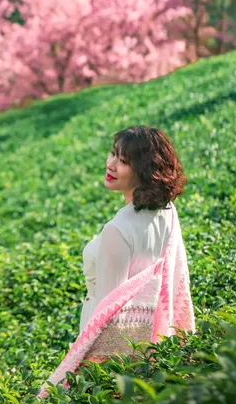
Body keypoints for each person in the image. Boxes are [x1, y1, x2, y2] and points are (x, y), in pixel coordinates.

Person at [79, 124, 188, 335]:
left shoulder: (118, 231)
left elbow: (108, 318)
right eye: (113, 154)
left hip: (111, 346)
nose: (111, 165)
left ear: (145, 171)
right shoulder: (167, 210)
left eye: (124, 162)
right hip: (149, 334)